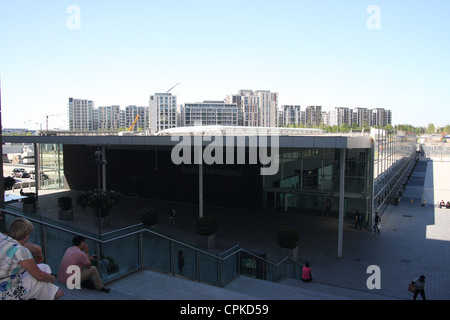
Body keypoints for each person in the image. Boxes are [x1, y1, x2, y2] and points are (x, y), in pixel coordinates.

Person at [0, 218, 63, 300]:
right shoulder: (21, 250)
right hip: (6, 294)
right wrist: (52, 278)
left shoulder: (3, 241)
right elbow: (39, 276)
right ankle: (53, 295)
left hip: (4, 285)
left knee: (40, 276)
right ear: (27, 236)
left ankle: (52, 294)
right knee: (43, 272)